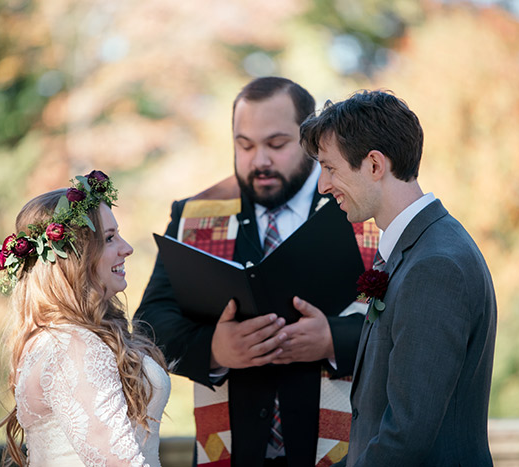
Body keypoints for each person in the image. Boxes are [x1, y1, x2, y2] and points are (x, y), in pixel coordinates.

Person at [136, 77, 379, 467]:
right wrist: (214, 348)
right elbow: (149, 325)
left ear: (312, 141)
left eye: (277, 144)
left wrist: (332, 339)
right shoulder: (197, 215)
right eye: (244, 145)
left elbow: (408, 325)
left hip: (341, 454)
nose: (259, 160)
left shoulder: (361, 213)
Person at [299, 90, 497, 466]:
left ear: (374, 165)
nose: (323, 186)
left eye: (331, 168)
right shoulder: (416, 249)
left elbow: (406, 435)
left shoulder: (435, 266)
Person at [0, 170, 171, 466]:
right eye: (110, 239)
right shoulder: (72, 347)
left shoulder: (60, 337)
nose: (127, 248)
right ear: (76, 257)